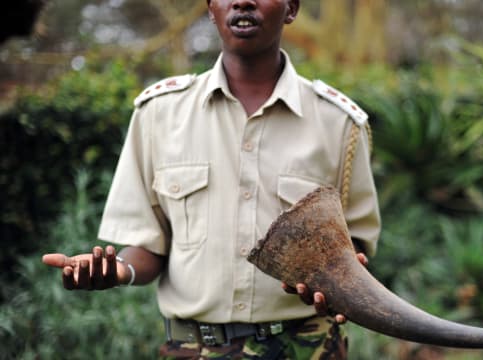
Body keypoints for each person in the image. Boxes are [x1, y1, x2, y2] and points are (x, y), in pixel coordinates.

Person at [42, 0, 381, 358]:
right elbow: (148, 246)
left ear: (292, 8)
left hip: (306, 347)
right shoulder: (159, 114)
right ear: (210, 8)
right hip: (192, 348)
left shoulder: (340, 123)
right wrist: (118, 270)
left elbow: (353, 248)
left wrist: (333, 278)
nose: (243, 1)